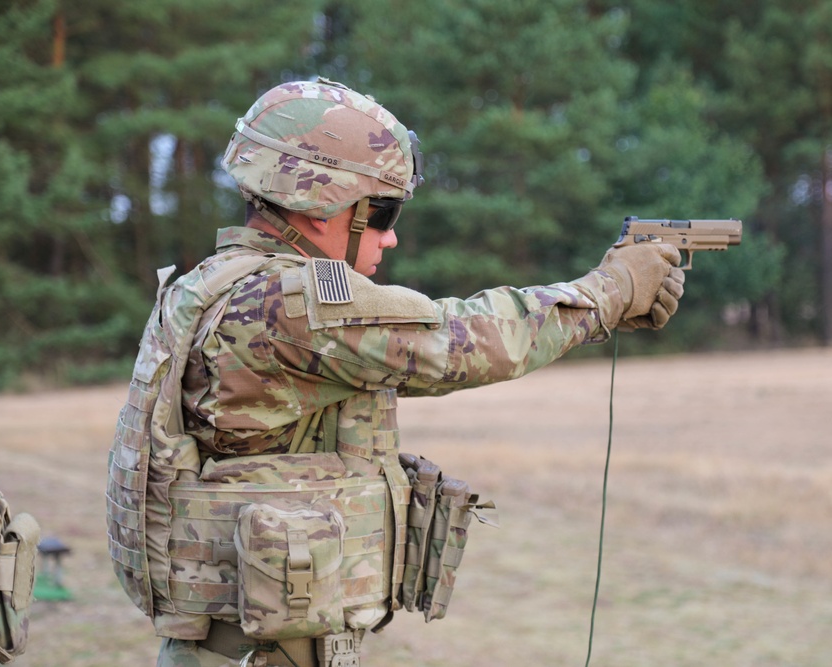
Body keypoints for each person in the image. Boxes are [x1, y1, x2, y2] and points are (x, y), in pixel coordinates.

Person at [106, 77, 685, 667]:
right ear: (326, 204)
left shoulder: (217, 282)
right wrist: (608, 292)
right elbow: (463, 342)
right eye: (382, 212)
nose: (391, 234)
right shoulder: (286, 301)